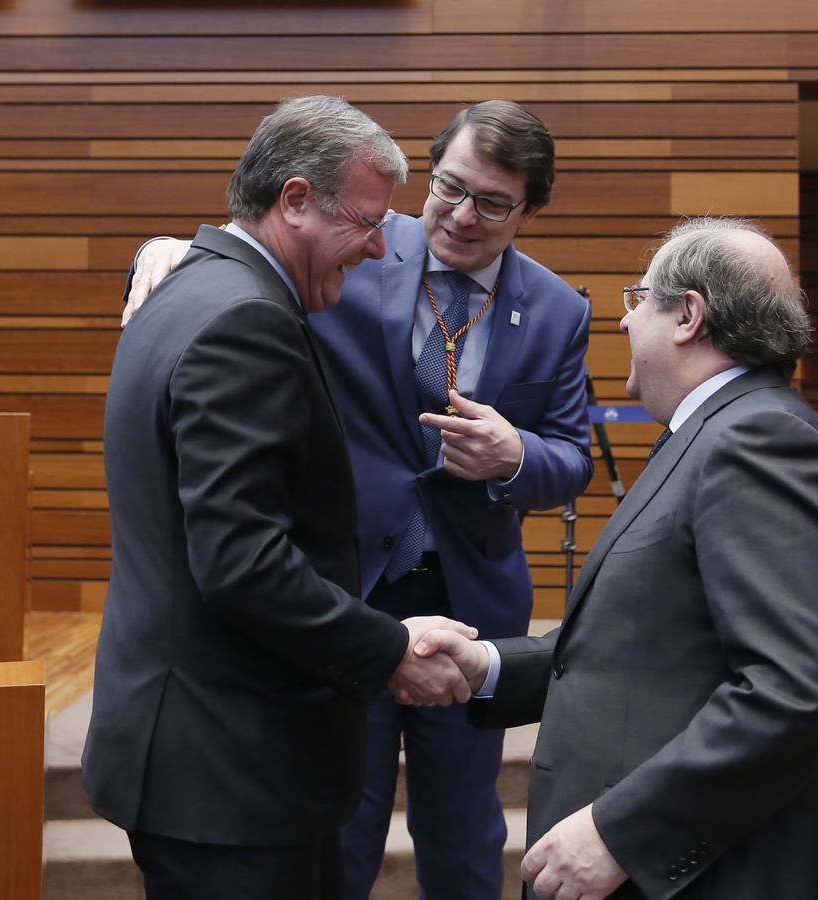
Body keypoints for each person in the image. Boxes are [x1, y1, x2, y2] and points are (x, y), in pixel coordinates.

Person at [121, 100, 594, 900]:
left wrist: (515, 457)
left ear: (531, 211)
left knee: (463, 831)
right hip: (338, 589)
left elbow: (570, 457)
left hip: (469, 596)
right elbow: (256, 246)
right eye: (449, 187)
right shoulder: (360, 241)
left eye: (492, 202)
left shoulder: (557, 309)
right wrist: (162, 248)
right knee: (341, 817)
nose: (461, 215)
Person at [82, 95, 478, 900]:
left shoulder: (186, 289)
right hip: (229, 768)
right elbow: (242, 562)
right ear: (293, 200)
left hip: (207, 755)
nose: (377, 248)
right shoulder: (245, 323)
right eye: (367, 222)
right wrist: (387, 650)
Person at [419, 217, 818, 899]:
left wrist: (620, 831)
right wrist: (487, 666)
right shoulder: (714, 431)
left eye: (638, 298)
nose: (623, 323)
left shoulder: (758, 439)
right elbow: (643, 647)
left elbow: (796, 689)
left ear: (687, 315)